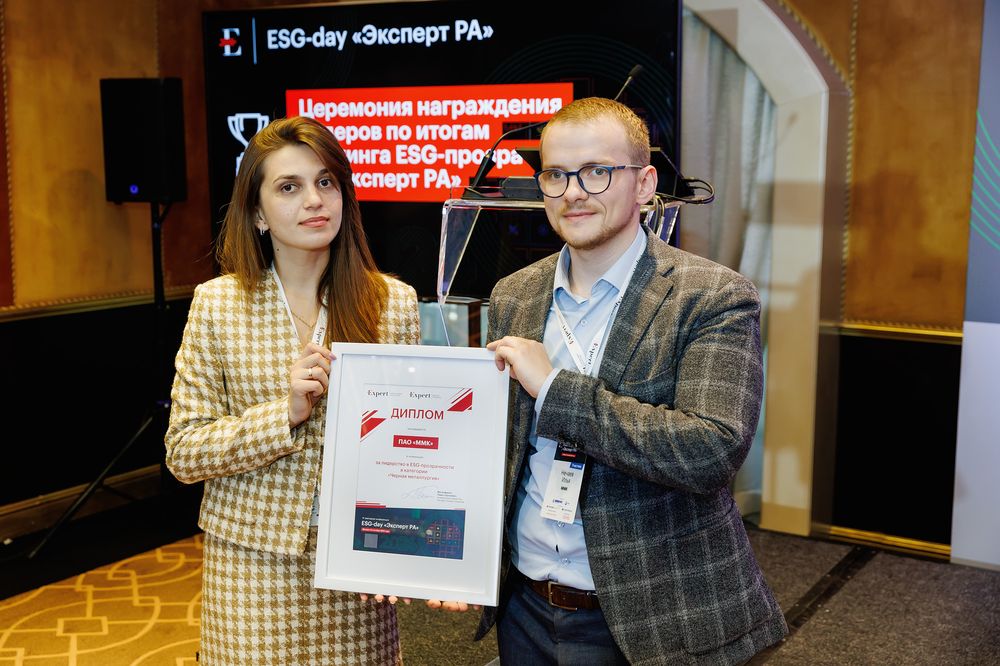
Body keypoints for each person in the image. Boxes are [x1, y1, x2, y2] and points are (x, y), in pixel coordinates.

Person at [480, 97, 788, 664]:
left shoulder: (712, 296)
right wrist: (457, 557)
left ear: (645, 185)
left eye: (596, 171)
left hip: (654, 617)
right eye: (555, 174)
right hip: (525, 608)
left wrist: (555, 390)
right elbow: (498, 451)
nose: (573, 192)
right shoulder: (513, 295)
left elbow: (710, 449)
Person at [165, 115, 419, 665]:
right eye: (289, 187)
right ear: (257, 213)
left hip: (359, 564)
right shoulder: (218, 305)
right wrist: (283, 414)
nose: (314, 200)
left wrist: (413, 546)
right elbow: (183, 451)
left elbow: (407, 449)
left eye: (326, 181)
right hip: (252, 567)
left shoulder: (391, 303)